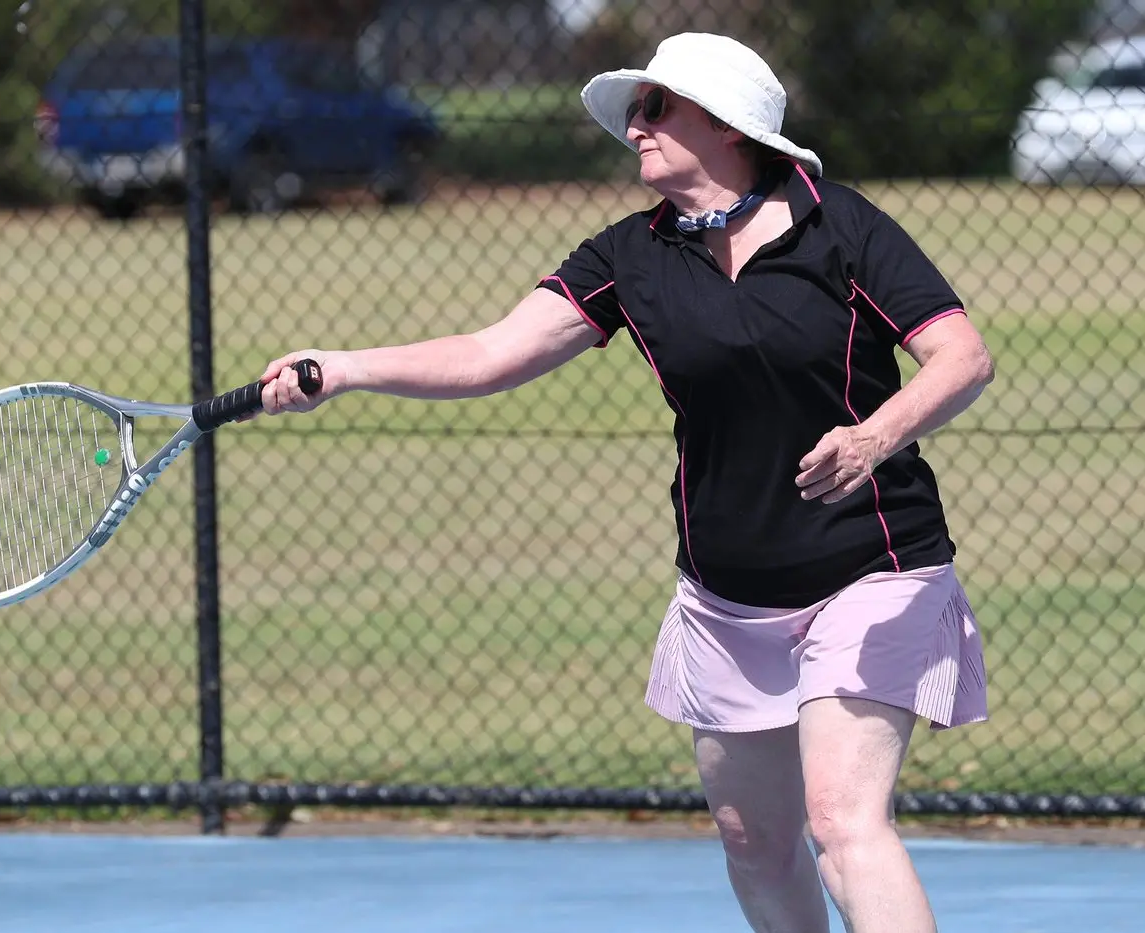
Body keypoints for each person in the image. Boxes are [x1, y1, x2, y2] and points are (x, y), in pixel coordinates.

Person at [253, 32, 994, 933]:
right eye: (634, 112)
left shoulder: (843, 226)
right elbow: (492, 353)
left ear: (725, 125)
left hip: (873, 567)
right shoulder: (626, 257)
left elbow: (962, 356)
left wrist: (875, 435)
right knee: (752, 837)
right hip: (728, 591)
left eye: (656, 109)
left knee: (844, 820)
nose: (634, 128)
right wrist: (345, 365)